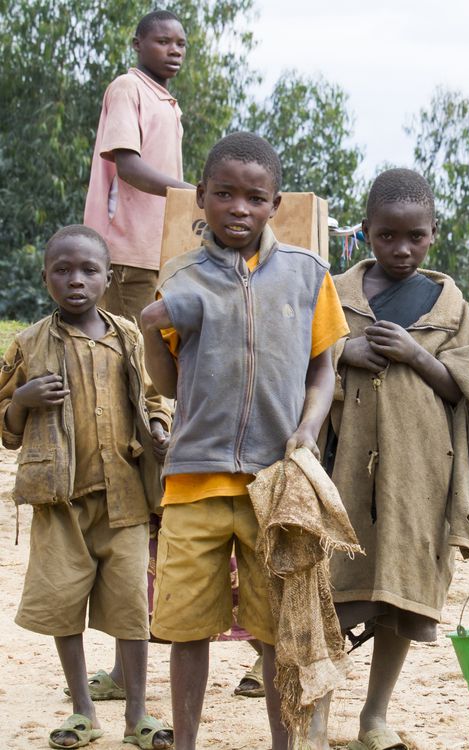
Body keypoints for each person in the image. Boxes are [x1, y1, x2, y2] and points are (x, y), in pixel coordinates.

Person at [139, 132, 348, 750]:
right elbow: (166, 381)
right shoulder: (180, 276)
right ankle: (185, 742)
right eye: (223, 194)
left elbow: (323, 368)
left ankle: (284, 744)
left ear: (275, 205)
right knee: (185, 626)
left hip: (272, 483)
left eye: (254, 198)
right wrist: (153, 332)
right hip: (194, 477)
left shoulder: (307, 274)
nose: (238, 208)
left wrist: (307, 429)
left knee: (276, 630)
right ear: (200, 197)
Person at [322, 167, 469, 750]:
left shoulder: (449, 306)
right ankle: (316, 721)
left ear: (432, 234)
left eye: (414, 237)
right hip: (339, 470)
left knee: (400, 591)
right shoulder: (332, 294)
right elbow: (300, 357)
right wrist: (347, 349)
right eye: (387, 236)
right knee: (328, 591)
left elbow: (464, 391)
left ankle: (374, 716)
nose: (401, 249)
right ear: (365, 231)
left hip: (418, 476)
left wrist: (417, 356)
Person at [0, 225, 172, 749]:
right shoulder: (28, 344)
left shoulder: (127, 337)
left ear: (109, 278)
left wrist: (160, 428)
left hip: (125, 499)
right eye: (63, 270)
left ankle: (138, 715)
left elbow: (154, 398)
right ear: (46, 278)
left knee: (130, 609)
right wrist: (24, 400)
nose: (76, 280)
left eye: (89, 270)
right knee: (63, 603)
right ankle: (82, 711)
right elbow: (4, 428)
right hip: (61, 501)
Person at [83, 9, 194, 323]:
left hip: (157, 247)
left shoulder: (166, 101)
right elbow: (128, 166)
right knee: (126, 343)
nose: (175, 50)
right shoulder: (128, 87)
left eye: (181, 44)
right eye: (163, 41)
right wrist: (192, 193)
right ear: (137, 44)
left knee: (149, 349)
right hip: (124, 248)